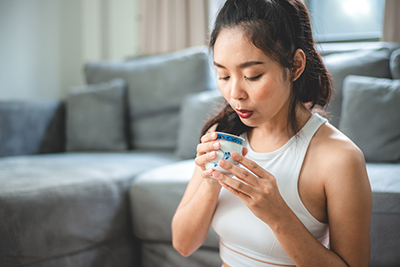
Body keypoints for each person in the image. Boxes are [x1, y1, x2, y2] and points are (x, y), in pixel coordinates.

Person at [171, 0, 372, 266]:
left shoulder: (340, 159)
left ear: (296, 65)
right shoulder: (225, 134)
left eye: (252, 75)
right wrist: (210, 181)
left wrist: (278, 216)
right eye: (224, 76)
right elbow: (184, 245)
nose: (235, 94)